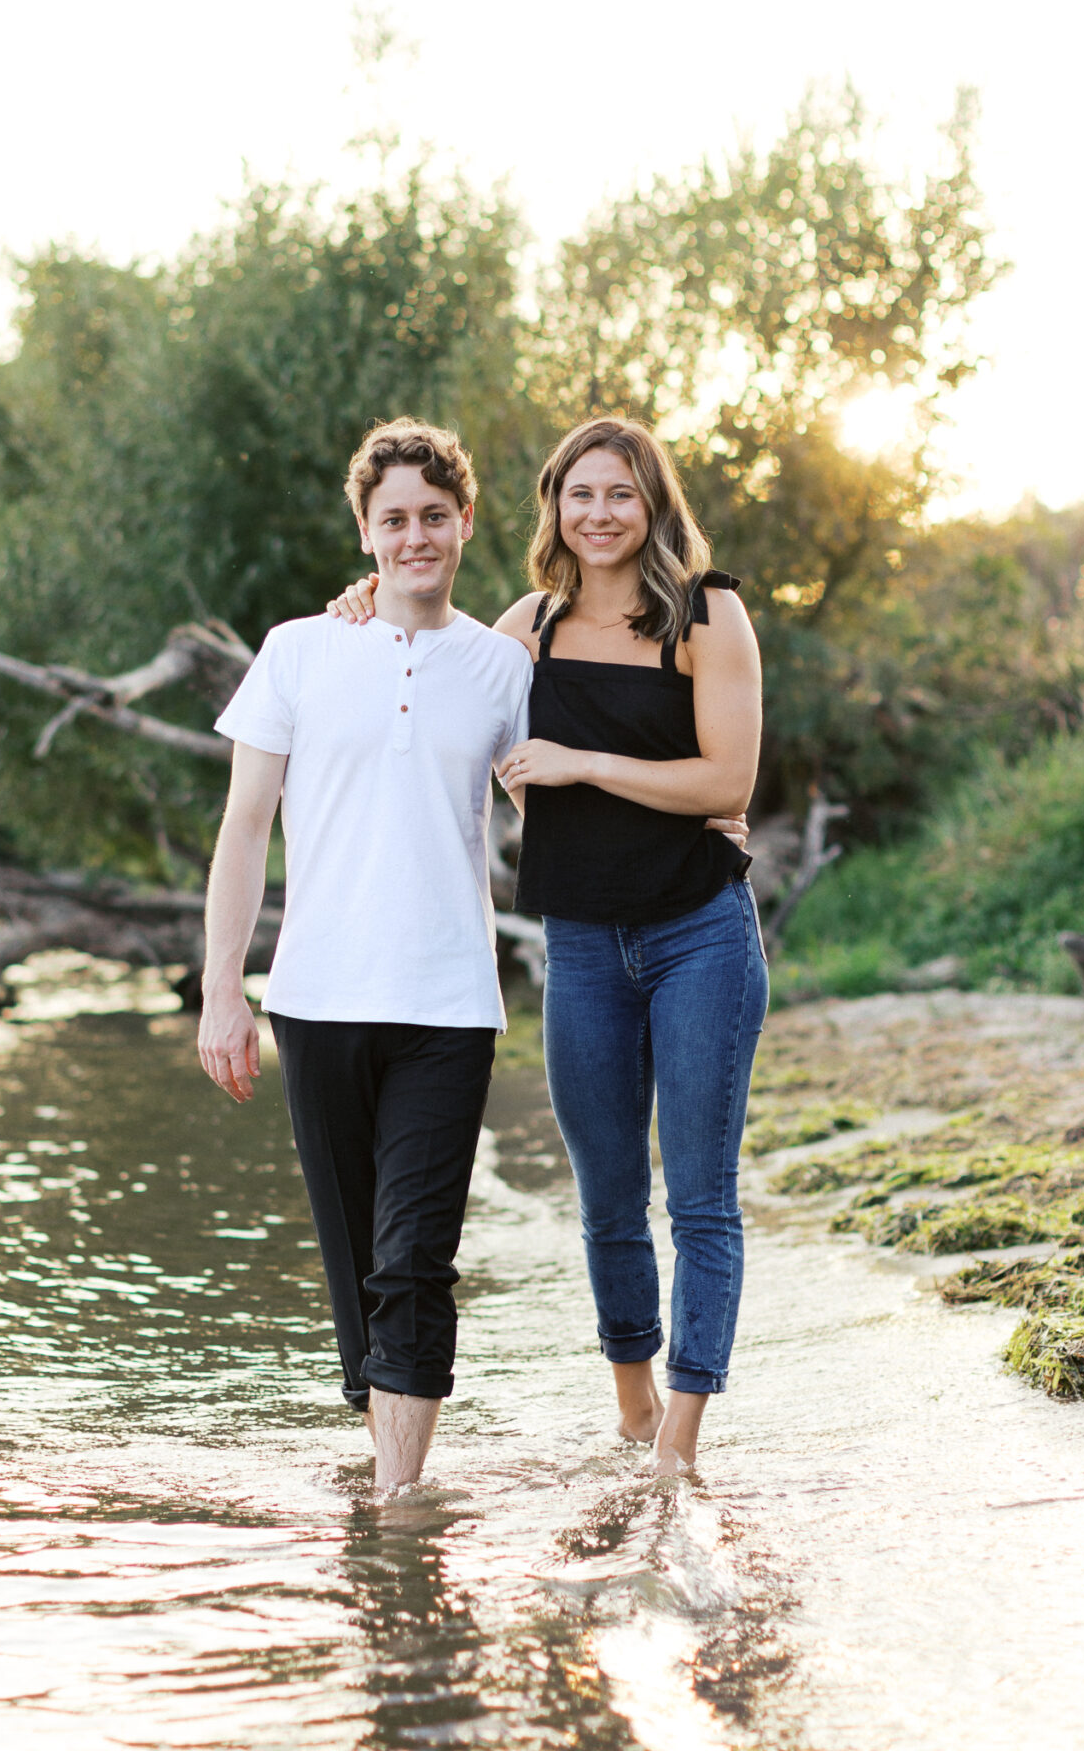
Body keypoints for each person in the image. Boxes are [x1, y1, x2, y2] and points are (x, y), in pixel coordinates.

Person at [329, 416, 766, 1476]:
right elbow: (429, 684)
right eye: (581, 495)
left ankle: (679, 1438)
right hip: (579, 946)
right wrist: (360, 610)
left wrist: (582, 762)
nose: (601, 514)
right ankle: (631, 1409)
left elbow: (728, 785)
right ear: (553, 510)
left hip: (699, 935)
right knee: (608, 1194)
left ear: (652, 503)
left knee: (699, 1194)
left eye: (620, 493)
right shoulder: (526, 624)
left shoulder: (708, 614)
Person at [198, 418, 532, 1492]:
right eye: (395, 519)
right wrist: (223, 990)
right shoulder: (299, 649)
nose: (416, 536)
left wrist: (703, 824)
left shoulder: (500, 667)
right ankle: (388, 1464)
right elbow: (246, 825)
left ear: (465, 523)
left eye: (435, 516)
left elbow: (559, 805)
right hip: (318, 997)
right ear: (365, 530)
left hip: (450, 1002)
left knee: (413, 1258)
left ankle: (397, 1513)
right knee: (356, 1270)